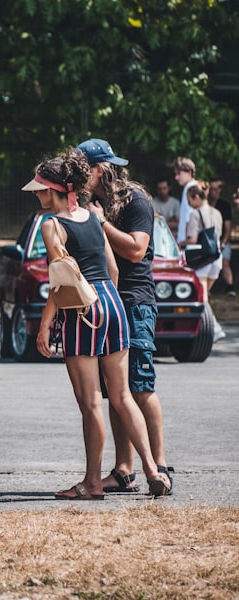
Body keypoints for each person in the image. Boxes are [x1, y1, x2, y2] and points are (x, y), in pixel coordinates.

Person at [24, 147, 170, 499]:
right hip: (113, 303)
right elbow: (115, 269)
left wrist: (46, 325)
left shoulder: (51, 226)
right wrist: (109, 306)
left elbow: (62, 281)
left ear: (53, 190)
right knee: (122, 396)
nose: (37, 196)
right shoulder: (93, 218)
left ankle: (92, 483)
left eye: (40, 190)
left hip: (81, 309)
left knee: (91, 403)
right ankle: (153, 471)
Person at [80, 137, 175, 496]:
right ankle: (123, 471)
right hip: (106, 301)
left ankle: (161, 466)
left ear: (99, 170)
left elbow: (136, 250)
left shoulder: (136, 199)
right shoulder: (95, 202)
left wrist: (100, 223)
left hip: (135, 301)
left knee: (140, 386)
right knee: (115, 391)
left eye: (83, 170)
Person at [179, 181, 226, 343]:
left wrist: (180, 244)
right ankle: (211, 328)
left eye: (190, 201)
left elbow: (192, 240)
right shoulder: (217, 212)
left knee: (202, 297)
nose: (190, 205)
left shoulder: (195, 214)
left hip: (202, 260)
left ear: (197, 197)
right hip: (216, 258)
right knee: (205, 295)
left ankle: (214, 329)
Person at [210, 180, 234, 296]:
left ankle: (230, 287)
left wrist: (223, 243)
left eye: (218, 189)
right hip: (208, 240)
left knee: (225, 262)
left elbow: (228, 228)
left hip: (222, 240)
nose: (216, 192)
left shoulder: (224, 205)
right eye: (213, 189)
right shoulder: (204, 205)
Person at [173, 156, 198, 245]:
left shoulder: (190, 189)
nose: (176, 177)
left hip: (187, 243)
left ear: (189, 172)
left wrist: (184, 242)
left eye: (179, 173)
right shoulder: (192, 187)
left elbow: (189, 217)